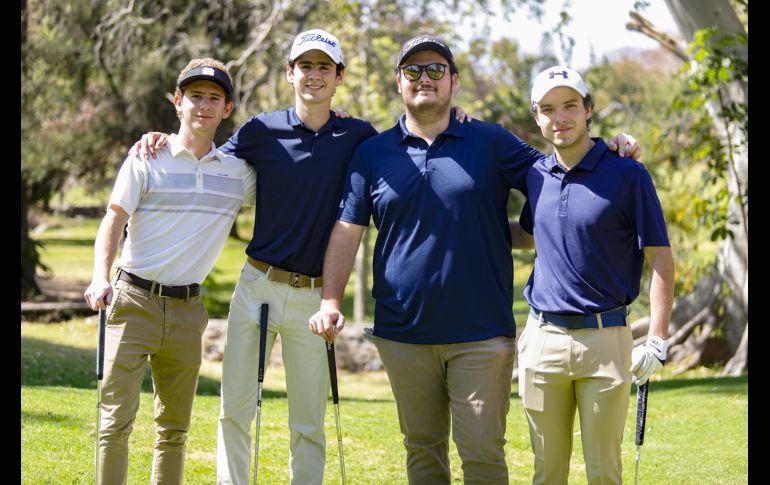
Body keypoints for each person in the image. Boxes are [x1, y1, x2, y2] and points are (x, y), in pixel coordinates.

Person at [132, 28, 473, 485]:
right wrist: (164, 137)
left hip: (315, 297)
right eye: (305, 66)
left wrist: (457, 118)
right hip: (256, 287)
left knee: (308, 422)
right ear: (290, 73)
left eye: (324, 68)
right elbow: (204, 158)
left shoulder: (358, 136)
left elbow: (410, 135)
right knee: (235, 409)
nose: (314, 76)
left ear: (338, 77)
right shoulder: (260, 131)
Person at [308, 35, 640, 484]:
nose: (424, 79)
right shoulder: (372, 153)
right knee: (422, 453)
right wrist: (331, 299)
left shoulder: (490, 142)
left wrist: (608, 148)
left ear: (454, 81)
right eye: (413, 71)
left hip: (481, 335)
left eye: (435, 70)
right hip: (403, 334)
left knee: (483, 457)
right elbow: (348, 231)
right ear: (398, 83)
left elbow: (562, 172)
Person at [84, 58, 255, 484]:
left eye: (214, 98)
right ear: (178, 102)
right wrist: (99, 275)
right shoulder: (146, 158)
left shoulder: (237, 174)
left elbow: (297, 176)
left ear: (227, 109)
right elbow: (114, 218)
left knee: (174, 430)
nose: (204, 105)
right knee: (114, 423)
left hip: (187, 310)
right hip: (132, 301)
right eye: (195, 96)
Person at [513, 65, 674, 484]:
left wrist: (656, 338)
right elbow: (535, 234)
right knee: (547, 473)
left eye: (569, 106)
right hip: (542, 339)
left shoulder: (628, 174)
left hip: (606, 340)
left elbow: (660, 260)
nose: (559, 117)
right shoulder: (536, 175)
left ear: (589, 109)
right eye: (548, 109)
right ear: (537, 116)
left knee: (604, 472)